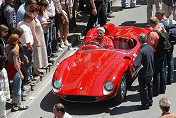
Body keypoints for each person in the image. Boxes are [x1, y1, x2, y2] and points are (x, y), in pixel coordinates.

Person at [5, 34, 28, 111]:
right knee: (18, 87)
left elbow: (7, 58)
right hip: (15, 71)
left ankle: (13, 100)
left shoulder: (7, 47)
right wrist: (21, 73)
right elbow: (16, 64)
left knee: (14, 86)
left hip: (9, 69)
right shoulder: (14, 51)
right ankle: (20, 105)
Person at [133, 33, 154, 110]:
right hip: (150, 71)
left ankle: (145, 104)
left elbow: (136, 63)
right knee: (149, 87)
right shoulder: (150, 48)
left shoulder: (141, 51)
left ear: (139, 41)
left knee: (143, 89)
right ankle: (150, 101)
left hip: (144, 73)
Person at [147, 17, 166, 97]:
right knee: (162, 70)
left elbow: (150, 46)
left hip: (156, 54)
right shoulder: (162, 28)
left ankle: (155, 91)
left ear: (151, 24)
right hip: (163, 52)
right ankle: (162, 89)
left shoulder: (152, 34)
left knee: (156, 73)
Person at [155, 9, 175, 85]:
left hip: (164, 46)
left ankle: (164, 80)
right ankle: (170, 79)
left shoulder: (160, 24)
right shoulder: (172, 21)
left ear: (160, 15)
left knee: (163, 63)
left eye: (157, 16)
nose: (156, 18)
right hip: (171, 44)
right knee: (170, 61)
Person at [17, 11, 34, 84]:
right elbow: (27, 42)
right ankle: (28, 78)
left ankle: (28, 77)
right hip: (27, 47)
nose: (32, 20)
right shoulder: (25, 28)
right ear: (27, 19)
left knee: (25, 63)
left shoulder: (20, 23)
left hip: (22, 45)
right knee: (28, 63)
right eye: (32, 19)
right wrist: (31, 48)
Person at [32, 7, 48, 75]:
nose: (38, 12)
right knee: (36, 54)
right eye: (37, 11)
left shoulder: (35, 19)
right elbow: (33, 32)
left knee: (39, 54)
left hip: (40, 37)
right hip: (36, 39)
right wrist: (37, 41)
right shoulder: (32, 20)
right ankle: (35, 70)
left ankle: (37, 68)